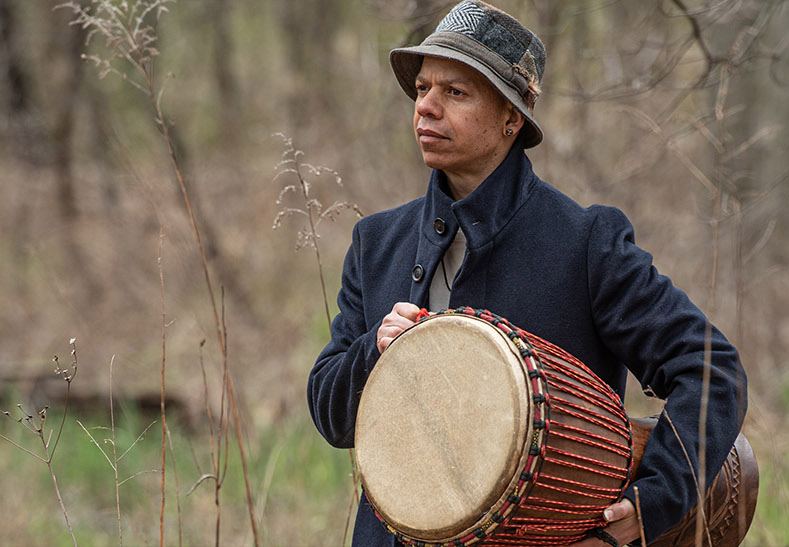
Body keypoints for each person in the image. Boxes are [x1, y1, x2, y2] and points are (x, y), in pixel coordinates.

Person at [305, 2, 747, 546]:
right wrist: (376, 349)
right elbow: (330, 414)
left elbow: (711, 370)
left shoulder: (586, 243)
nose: (426, 108)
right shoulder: (376, 243)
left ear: (512, 118)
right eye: (422, 89)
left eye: (455, 93)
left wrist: (650, 504)